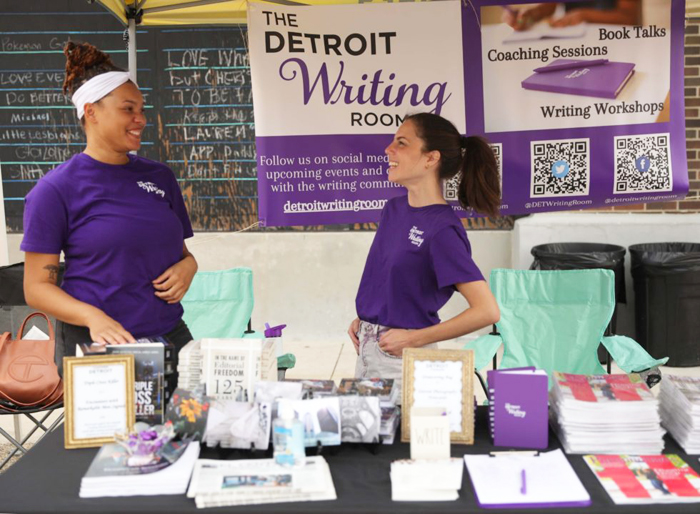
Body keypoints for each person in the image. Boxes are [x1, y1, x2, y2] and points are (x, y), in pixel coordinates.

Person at [21, 42, 197, 374]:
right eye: (128, 109)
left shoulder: (160, 177)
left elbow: (181, 253)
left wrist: (189, 266)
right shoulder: (55, 190)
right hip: (97, 345)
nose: (141, 119)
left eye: (142, 109)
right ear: (91, 112)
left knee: (189, 411)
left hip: (169, 335)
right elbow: (37, 288)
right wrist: (93, 317)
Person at [348, 113, 501, 390]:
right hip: (368, 352)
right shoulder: (393, 210)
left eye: (402, 143)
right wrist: (369, 317)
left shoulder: (442, 229)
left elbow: (487, 311)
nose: (388, 149)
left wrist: (413, 339)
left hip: (402, 362)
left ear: (431, 158)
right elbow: (394, 279)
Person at [502, 1, 641, 31]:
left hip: (615, 41)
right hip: (574, 44)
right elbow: (550, 6)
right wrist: (530, 14)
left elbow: (629, 17)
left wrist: (585, 15)